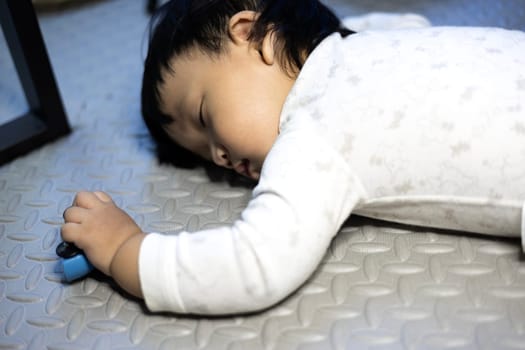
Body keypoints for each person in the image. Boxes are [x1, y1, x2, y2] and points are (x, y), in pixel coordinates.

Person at [61, 0, 525, 315]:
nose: (220, 157)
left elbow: (256, 263)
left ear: (252, 33)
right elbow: (407, 22)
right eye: (205, 157)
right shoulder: (361, 41)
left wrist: (126, 251)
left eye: (203, 116)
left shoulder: (313, 133)